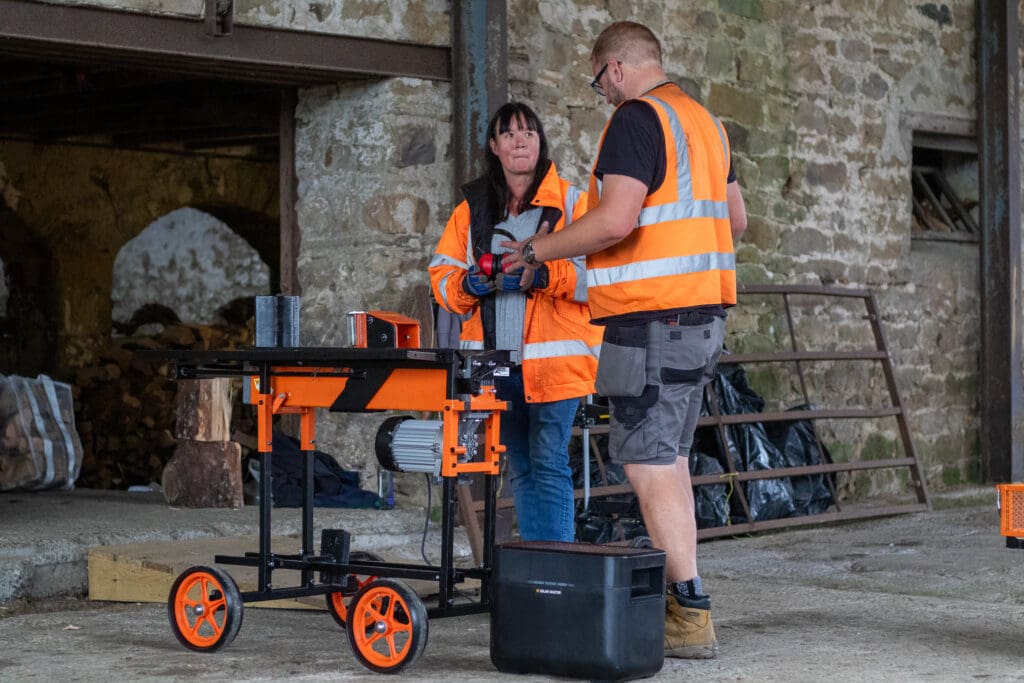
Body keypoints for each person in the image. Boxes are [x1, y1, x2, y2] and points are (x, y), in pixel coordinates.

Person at [501, 22, 747, 659]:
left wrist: (535, 248)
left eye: (598, 80)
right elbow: (736, 220)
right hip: (701, 317)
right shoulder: (707, 124)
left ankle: (690, 610)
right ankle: (685, 604)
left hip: (653, 320)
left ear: (612, 68)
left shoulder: (638, 119)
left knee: (646, 460)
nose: (602, 93)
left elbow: (614, 220)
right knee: (669, 459)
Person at [428, 102, 602, 543]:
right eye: (508, 134)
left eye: (528, 132)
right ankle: (536, 566)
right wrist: (474, 282)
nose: (520, 140)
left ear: (540, 142)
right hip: (496, 365)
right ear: (494, 147)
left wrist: (543, 274)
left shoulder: (572, 202)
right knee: (521, 468)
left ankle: (558, 564)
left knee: (549, 462)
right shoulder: (471, 211)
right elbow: (441, 280)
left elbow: (600, 278)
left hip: (555, 363)